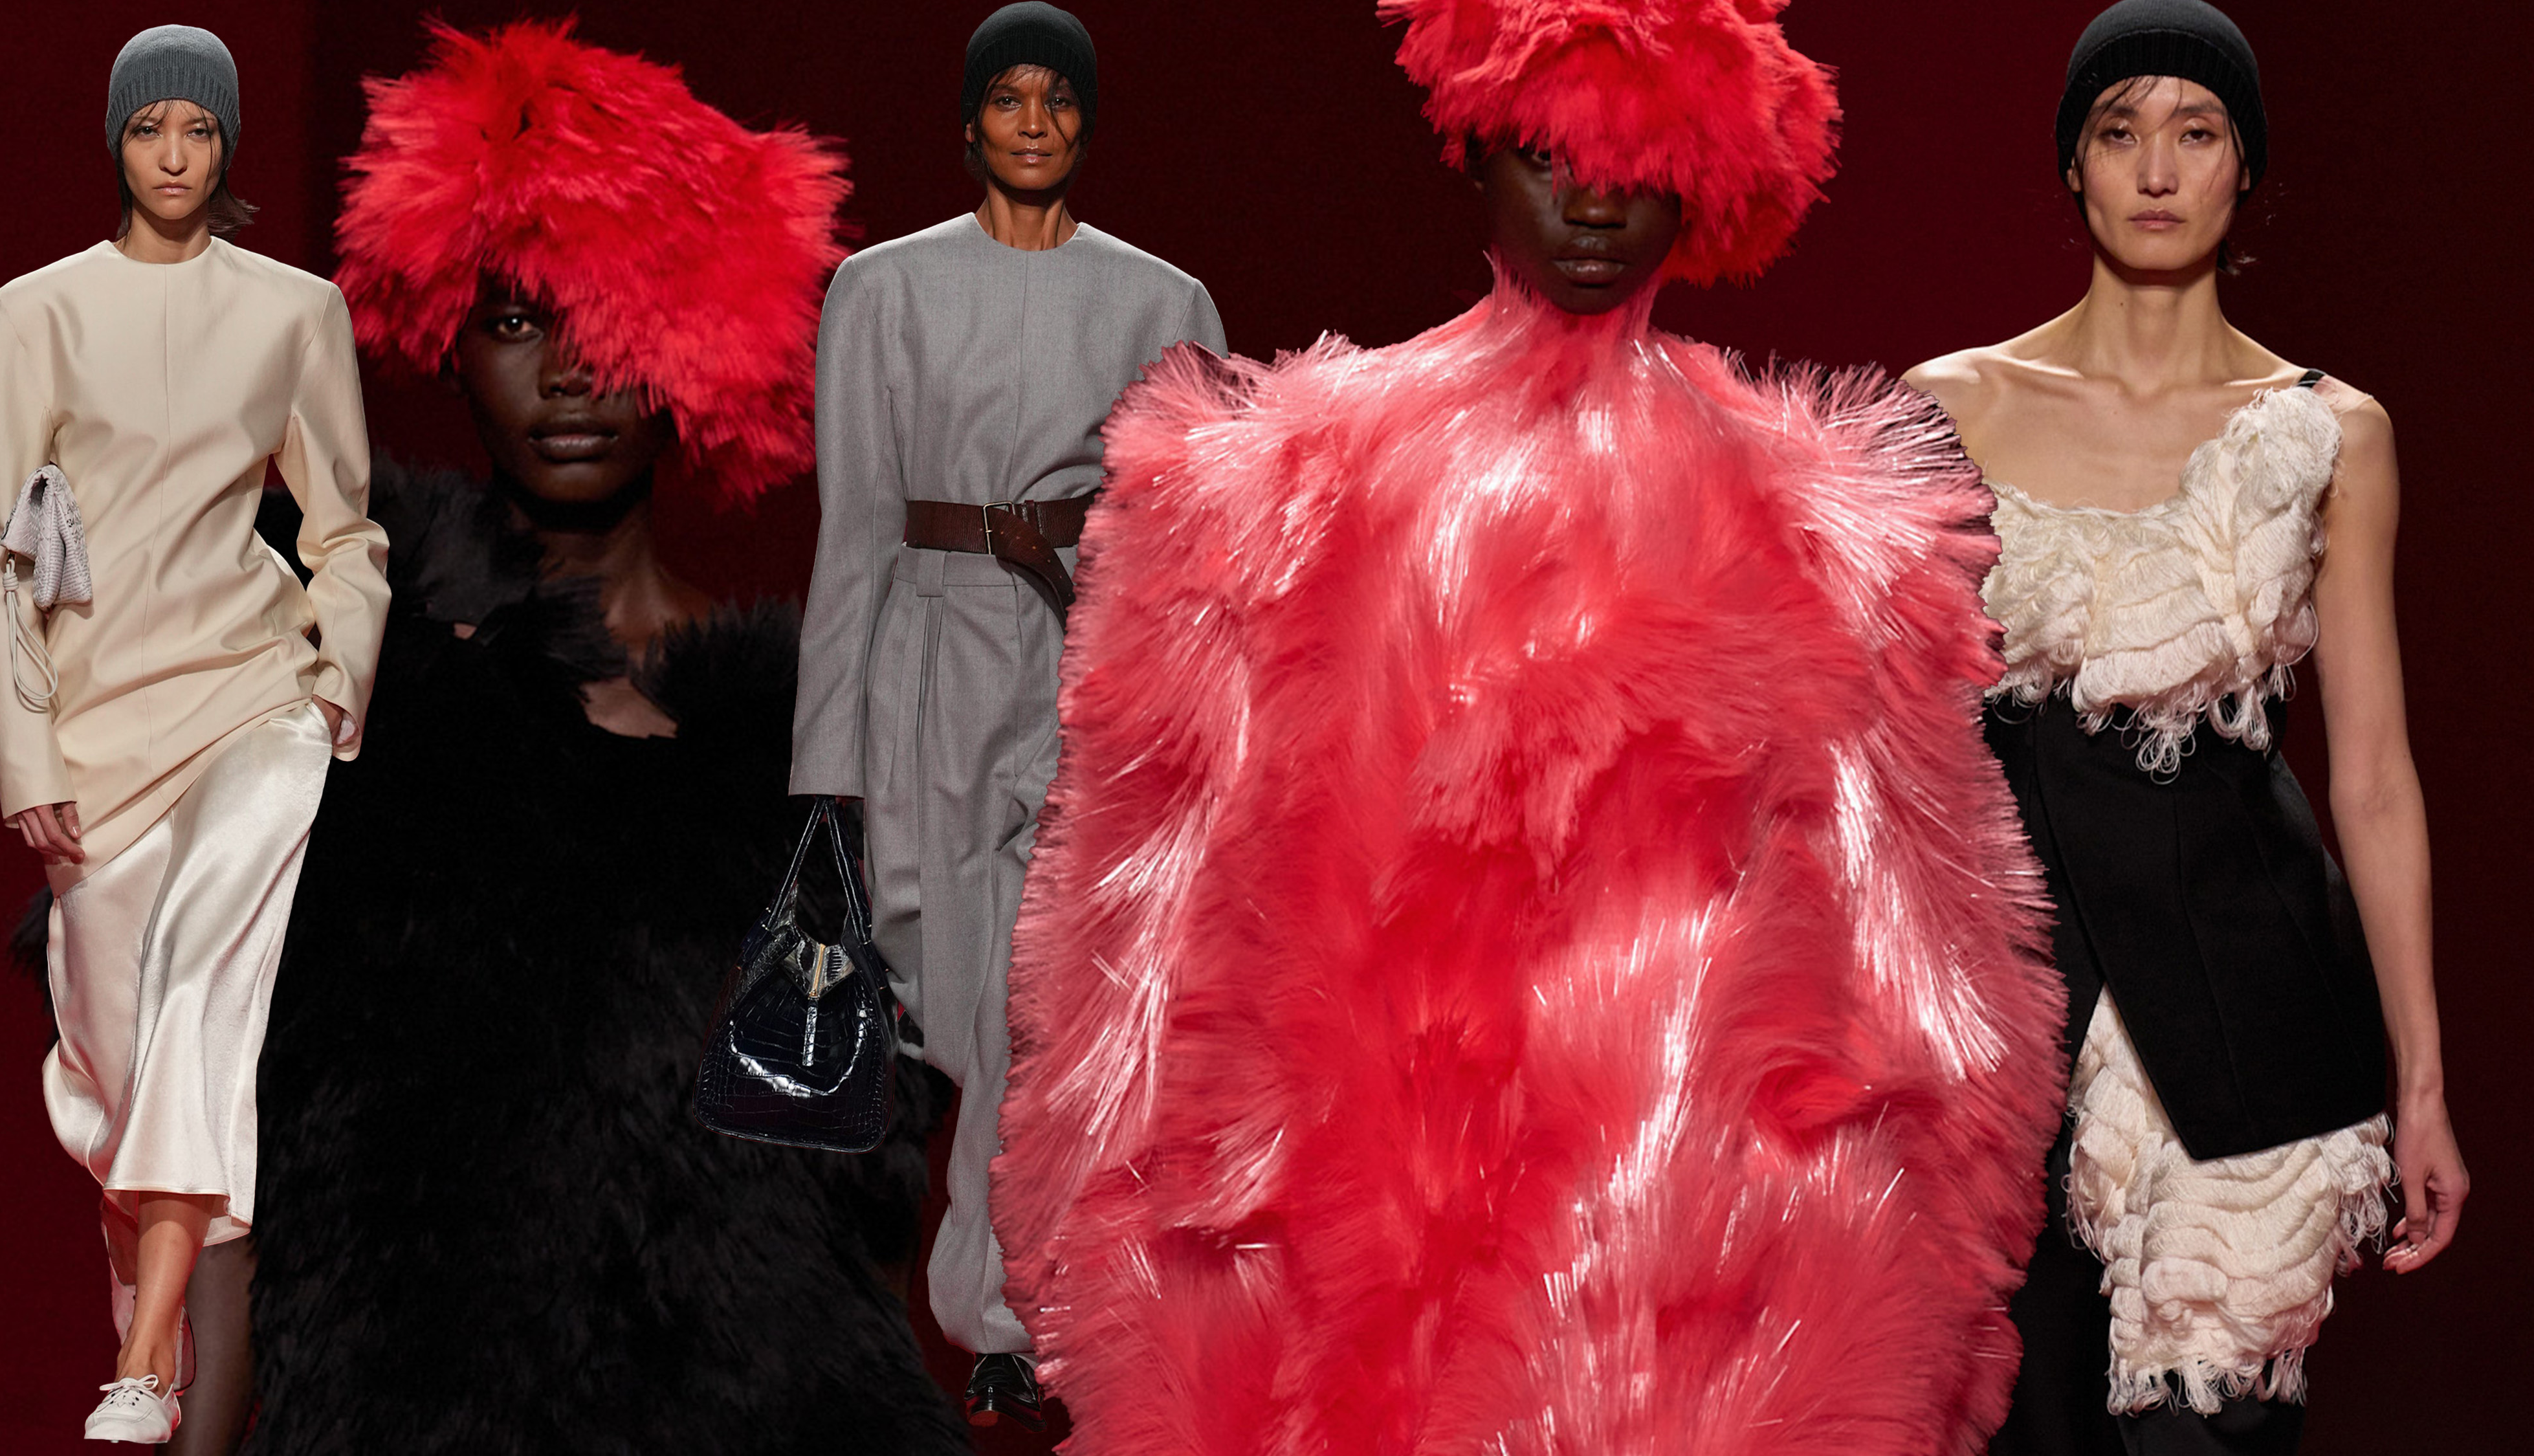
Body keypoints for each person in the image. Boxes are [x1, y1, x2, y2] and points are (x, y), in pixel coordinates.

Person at [990, 2, 2064, 1451]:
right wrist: (1116, 1201)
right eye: (1549, 158)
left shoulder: (1812, 519)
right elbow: (1153, 875)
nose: (1594, 204)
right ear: (1476, 153)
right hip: (1369, 1199)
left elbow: (1911, 927)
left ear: (1704, 180)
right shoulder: (1288, 482)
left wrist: (1915, 1234)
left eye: (1637, 165)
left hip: (1681, 1220)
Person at [242, 22, 967, 1453]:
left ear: (703, 339)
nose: (571, 372)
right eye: (517, 320)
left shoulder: (822, 741)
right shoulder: (328, 672)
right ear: (450, 337)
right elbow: (190, 1138)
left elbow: (861, 1201)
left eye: (618, 316)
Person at [1904, 4, 2468, 1452]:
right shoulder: (1944, 409)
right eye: (2119, 131)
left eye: (2196, 131)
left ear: (2242, 165)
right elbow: (1882, 754)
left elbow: (2374, 776)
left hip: (2252, 1006)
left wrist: (2420, 1085)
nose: (2156, 169)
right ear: (2073, 167)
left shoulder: (2330, 432)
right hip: (2008, 1015)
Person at [789, 1, 1225, 1428]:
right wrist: (823, 777)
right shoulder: (882, 290)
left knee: (1037, 1003)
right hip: (924, 645)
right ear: (968, 121)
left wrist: (1191, 729)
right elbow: (854, 532)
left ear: (1086, 122)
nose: (1033, 124)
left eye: (1058, 100)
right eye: (1008, 99)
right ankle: (999, 1292)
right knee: (948, 983)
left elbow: (1199, 536)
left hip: (1086, 654)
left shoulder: (1163, 301)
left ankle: (1002, 1318)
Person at [0, 25, 389, 1445]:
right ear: (116, 140)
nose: (172, 153)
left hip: (250, 702)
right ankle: (151, 1326)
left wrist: (333, 682)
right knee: (114, 1075)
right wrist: (28, 757)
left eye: (197, 130)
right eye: (148, 127)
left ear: (226, 147)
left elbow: (344, 528)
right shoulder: (35, 314)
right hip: (98, 733)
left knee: (204, 987)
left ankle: (148, 1356)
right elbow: (2, 561)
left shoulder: (293, 312)